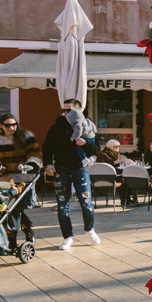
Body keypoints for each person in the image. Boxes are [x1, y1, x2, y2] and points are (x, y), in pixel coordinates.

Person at [43, 99, 100, 250]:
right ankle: (67, 237)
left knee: (86, 203)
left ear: (80, 109)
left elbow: (97, 149)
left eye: (69, 110)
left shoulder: (88, 126)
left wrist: (85, 144)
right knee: (62, 206)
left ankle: (90, 229)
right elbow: (47, 147)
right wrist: (47, 163)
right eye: (64, 109)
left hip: (80, 169)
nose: (65, 112)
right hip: (61, 169)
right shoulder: (56, 127)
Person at [0, 114, 43, 180]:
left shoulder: (26, 135)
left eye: (14, 125)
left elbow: (35, 153)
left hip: (25, 178)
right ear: (1, 126)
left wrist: (31, 165)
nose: (11, 128)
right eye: (7, 126)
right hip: (3, 180)